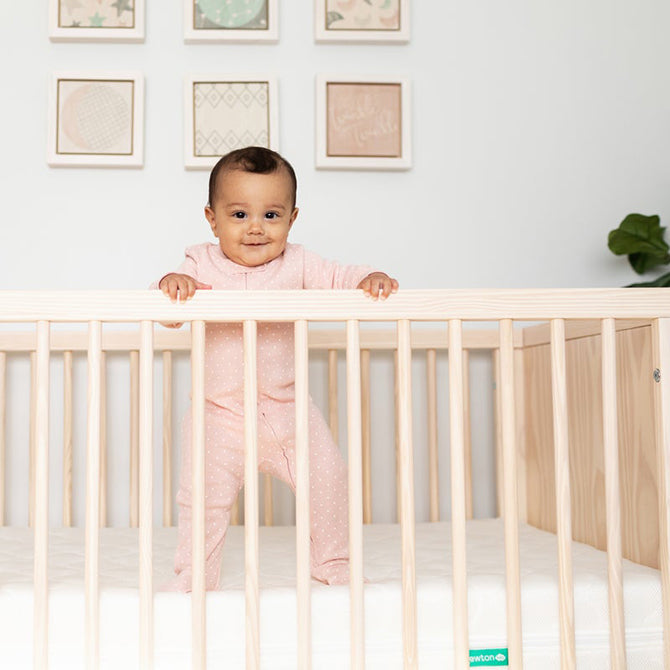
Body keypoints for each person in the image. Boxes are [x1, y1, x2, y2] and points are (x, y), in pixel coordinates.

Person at [155, 146, 398, 591]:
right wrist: (175, 287)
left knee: (328, 477)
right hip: (218, 416)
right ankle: (195, 576)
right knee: (201, 498)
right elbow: (168, 311)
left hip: (288, 412)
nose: (255, 229)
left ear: (292, 218)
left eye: (271, 215)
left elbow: (341, 277)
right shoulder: (199, 263)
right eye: (239, 214)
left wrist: (367, 280)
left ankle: (334, 563)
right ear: (212, 219)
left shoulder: (300, 263)